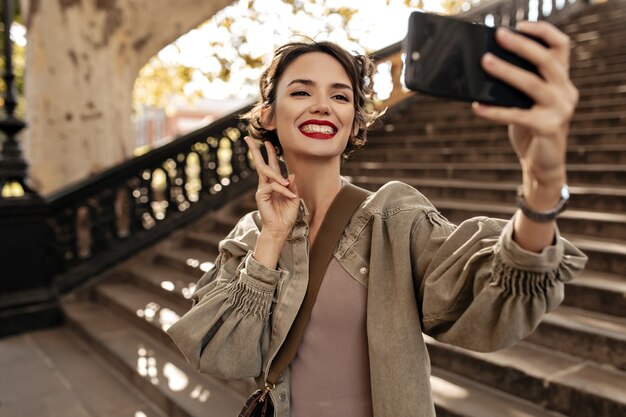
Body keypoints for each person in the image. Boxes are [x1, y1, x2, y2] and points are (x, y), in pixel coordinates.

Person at [166, 21, 587, 417]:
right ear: (269, 115)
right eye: (300, 92)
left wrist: (543, 183)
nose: (321, 106)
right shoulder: (251, 235)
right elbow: (223, 354)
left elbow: (491, 293)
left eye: (340, 96)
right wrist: (273, 237)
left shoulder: (394, 218)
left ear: (353, 124)